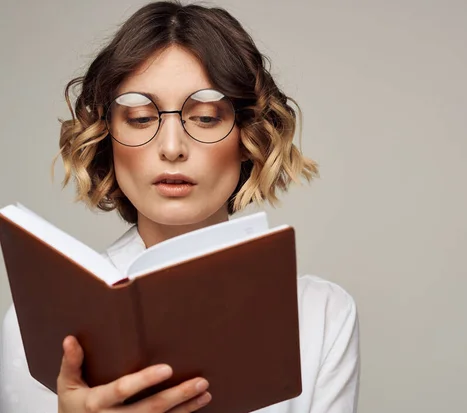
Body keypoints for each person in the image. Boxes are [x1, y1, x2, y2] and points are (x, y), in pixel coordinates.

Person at [0, 1, 360, 412]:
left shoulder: (321, 316)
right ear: (107, 135)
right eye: (139, 117)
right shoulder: (38, 324)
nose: (171, 148)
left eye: (205, 117)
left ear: (248, 136)